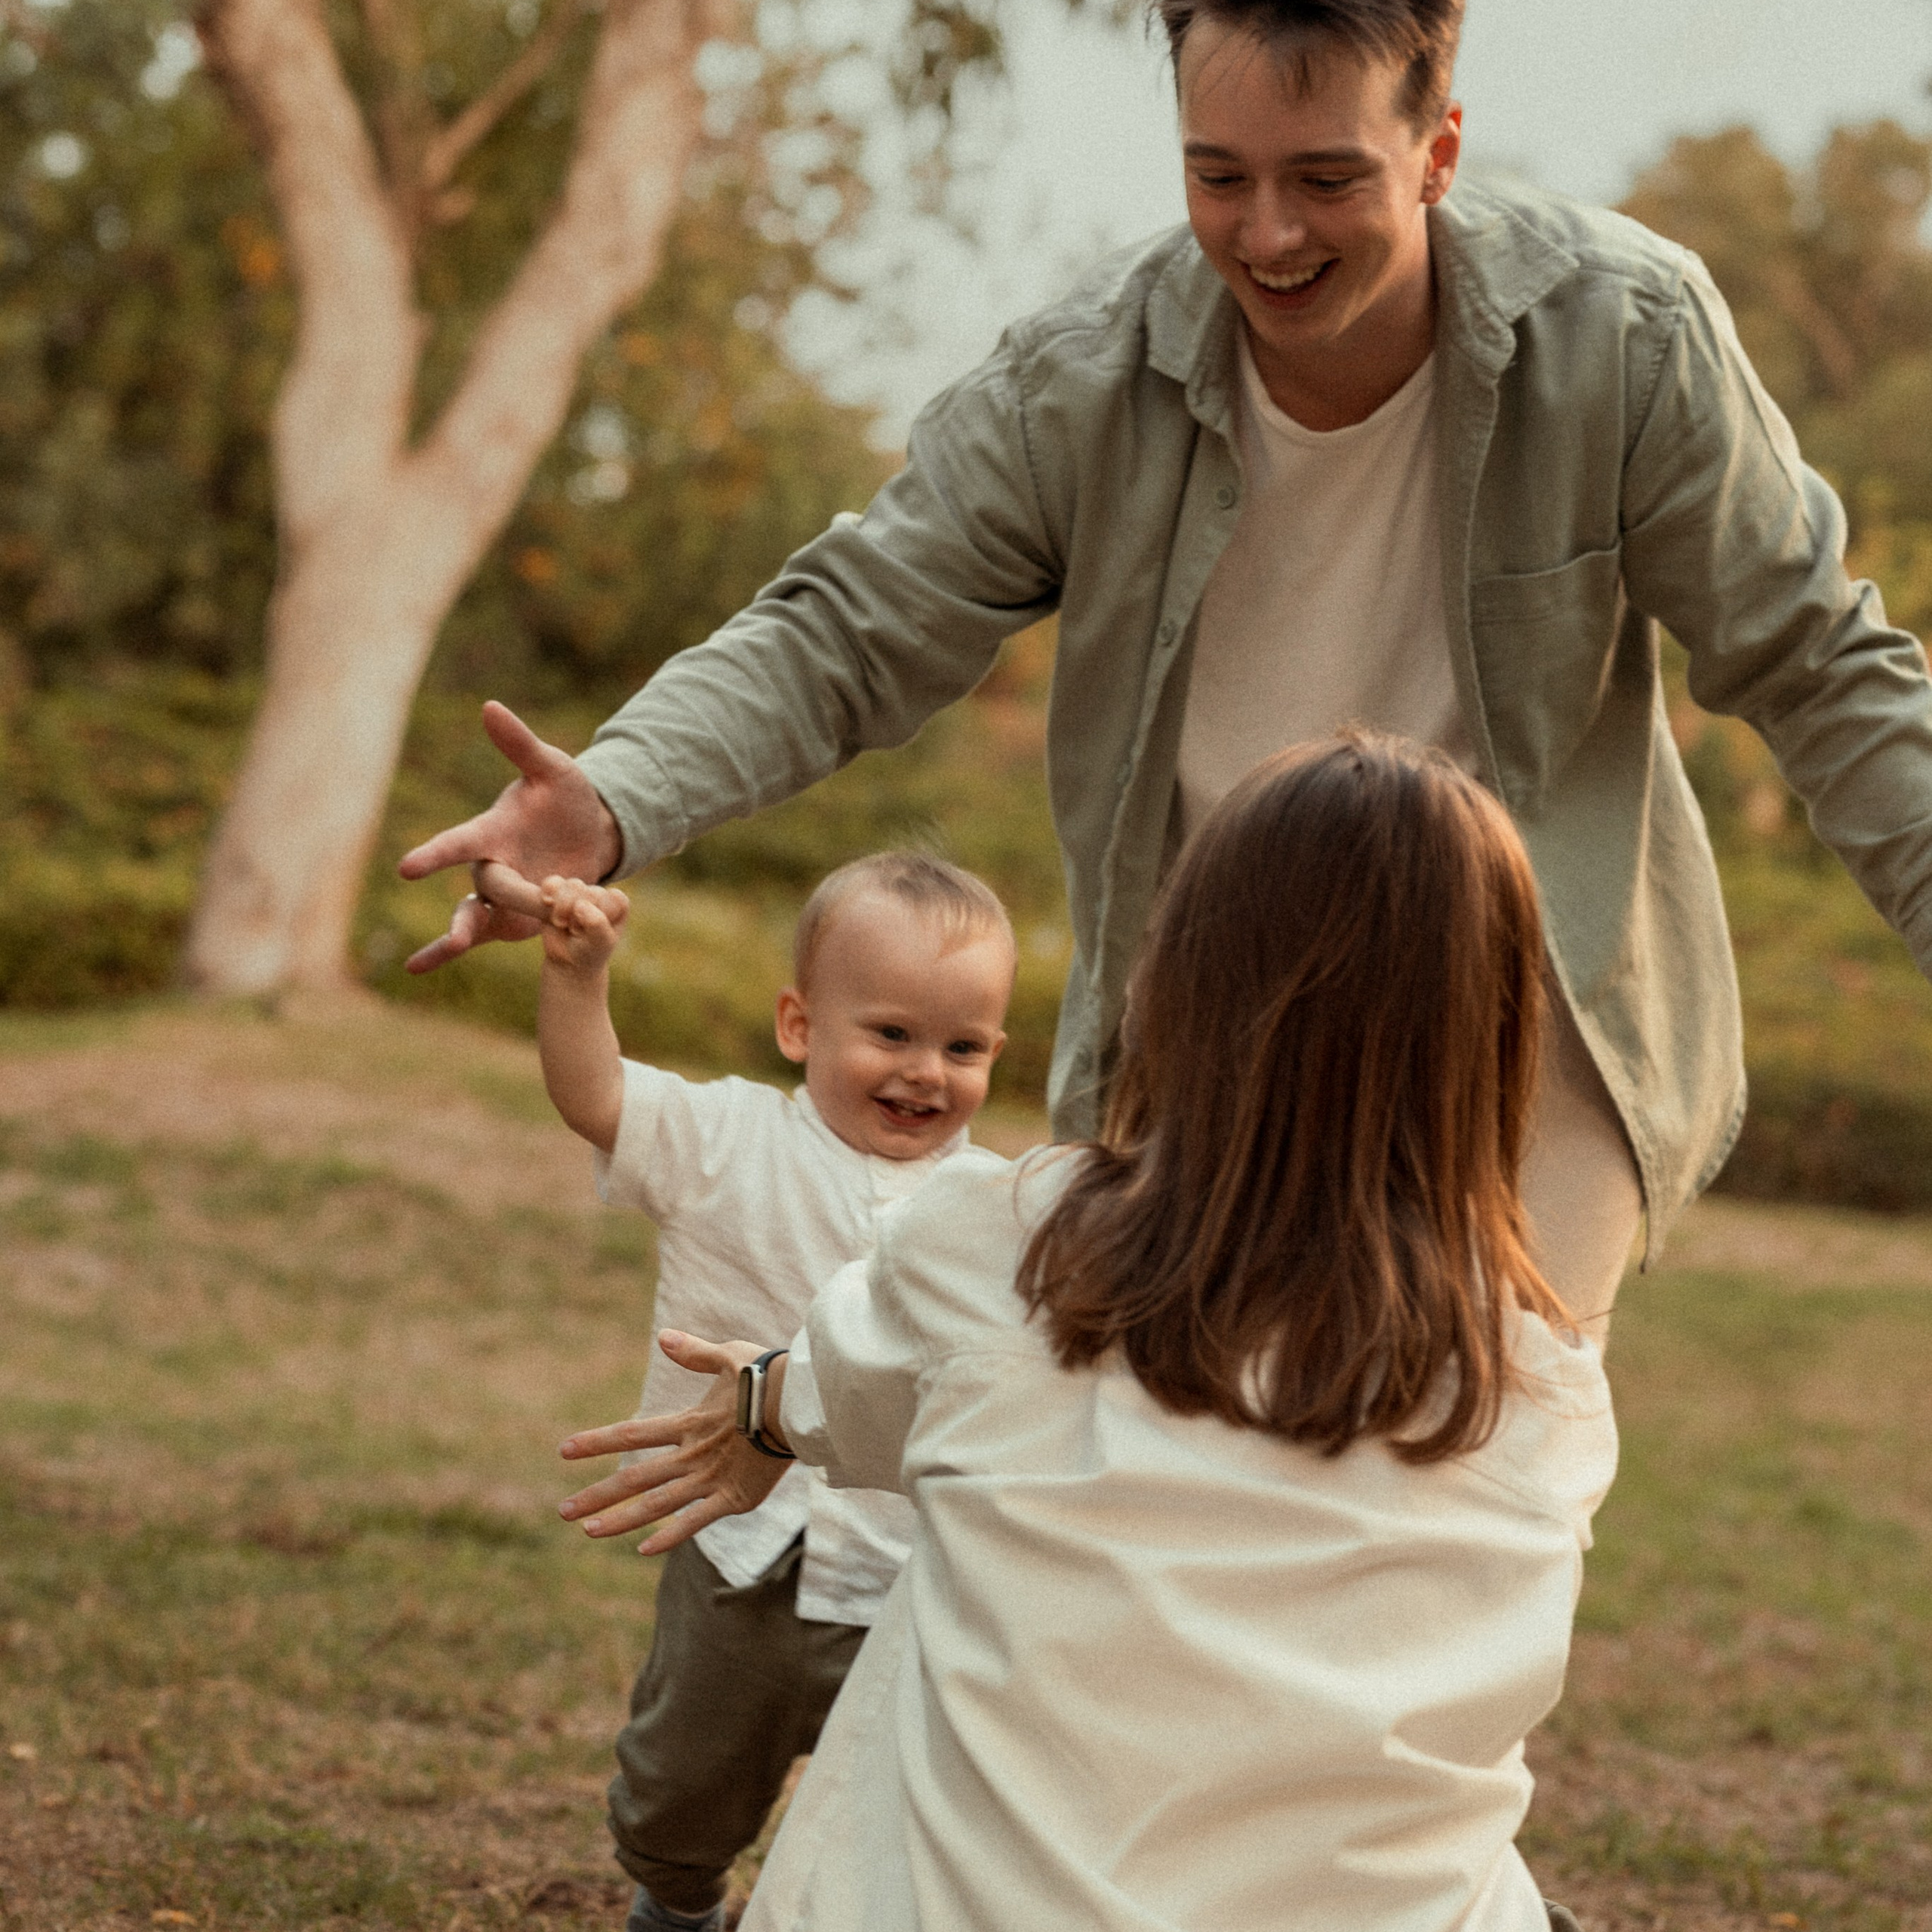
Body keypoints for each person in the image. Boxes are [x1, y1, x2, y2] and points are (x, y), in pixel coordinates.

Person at [401, 1, 1932, 1327]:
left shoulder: (1621, 338)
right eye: (1218, 177)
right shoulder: (1081, 383)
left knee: (1462, 1463)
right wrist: (614, 797)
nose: (1267, 236)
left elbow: (1816, 663)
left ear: (1437, 151)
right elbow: (848, 626)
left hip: (1527, 1013)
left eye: (1325, 179)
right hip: (1206, 1002)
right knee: (1152, 1454)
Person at [556, 736, 1614, 1932]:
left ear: (1176, 983)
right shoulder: (1547, 1391)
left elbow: (834, 1395)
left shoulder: (1006, 1247)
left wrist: (760, 1410)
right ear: (1501, 1038)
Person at [511, 846, 1017, 1932]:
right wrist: (577, 977)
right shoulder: (727, 1139)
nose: (926, 1073)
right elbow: (595, 1095)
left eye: (962, 1047)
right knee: (680, 1791)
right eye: (892, 1034)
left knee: (903, 1808)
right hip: (737, 1553)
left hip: (911, 1573)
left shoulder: (999, 1208)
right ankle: (678, 1901)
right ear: (799, 1026)